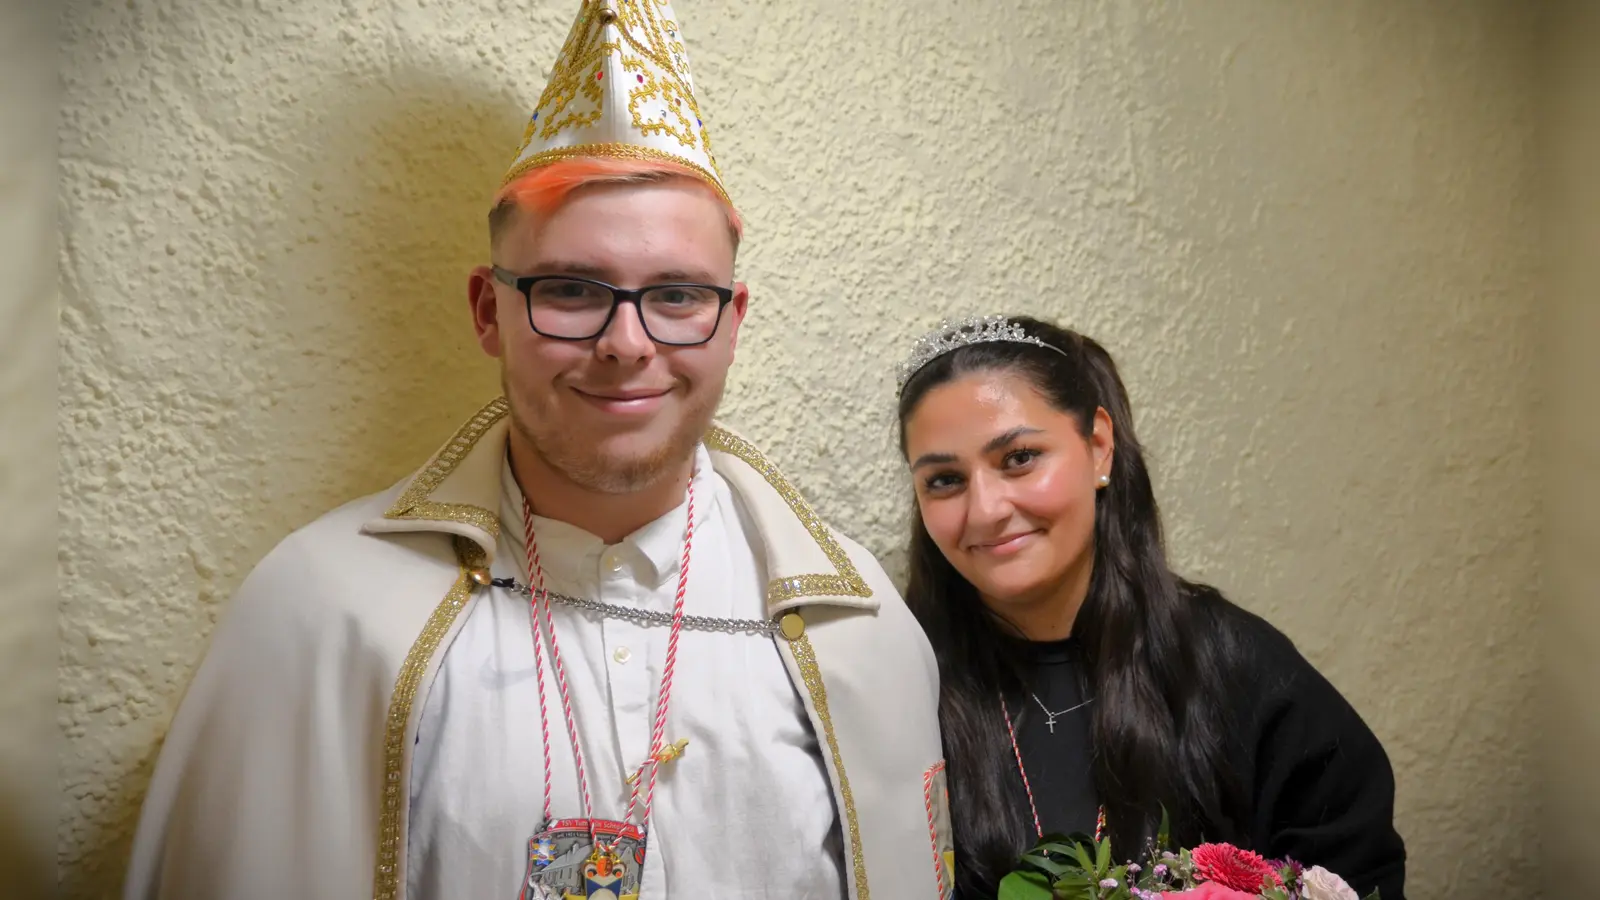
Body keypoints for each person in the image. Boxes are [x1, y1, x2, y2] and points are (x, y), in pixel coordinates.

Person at [123, 3, 951, 898]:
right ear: (489, 311)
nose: (628, 344)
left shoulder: (859, 631)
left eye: (676, 295)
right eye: (569, 289)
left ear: (732, 322)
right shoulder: (315, 615)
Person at [893, 315, 1406, 900]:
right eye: (944, 480)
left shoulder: (1240, 670)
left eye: (1018, 459)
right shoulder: (897, 687)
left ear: (1099, 447)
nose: (985, 510)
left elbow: (1357, 879)